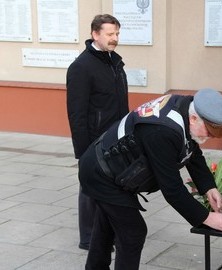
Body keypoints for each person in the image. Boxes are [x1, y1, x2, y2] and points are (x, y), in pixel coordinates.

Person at [78, 88, 222, 269]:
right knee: (133, 232)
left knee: (108, 222)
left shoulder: (189, 108)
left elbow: (192, 152)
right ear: (194, 118)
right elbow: (172, 189)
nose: (208, 137)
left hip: (115, 170)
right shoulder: (161, 131)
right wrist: (206, 217)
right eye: (208, 132)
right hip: (101, 174)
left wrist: (209, 187)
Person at [66, 14, 129, 251]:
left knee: (115, 186)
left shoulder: (114, 62)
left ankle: (109, 232)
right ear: (95, 34)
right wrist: (83, 152)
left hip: (117, 137)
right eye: (110, 34)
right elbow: (76, 114)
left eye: (117, 34)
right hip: (94, 141)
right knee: (90, 189)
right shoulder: (81, 67)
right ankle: (89, 238)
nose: (115, 39)